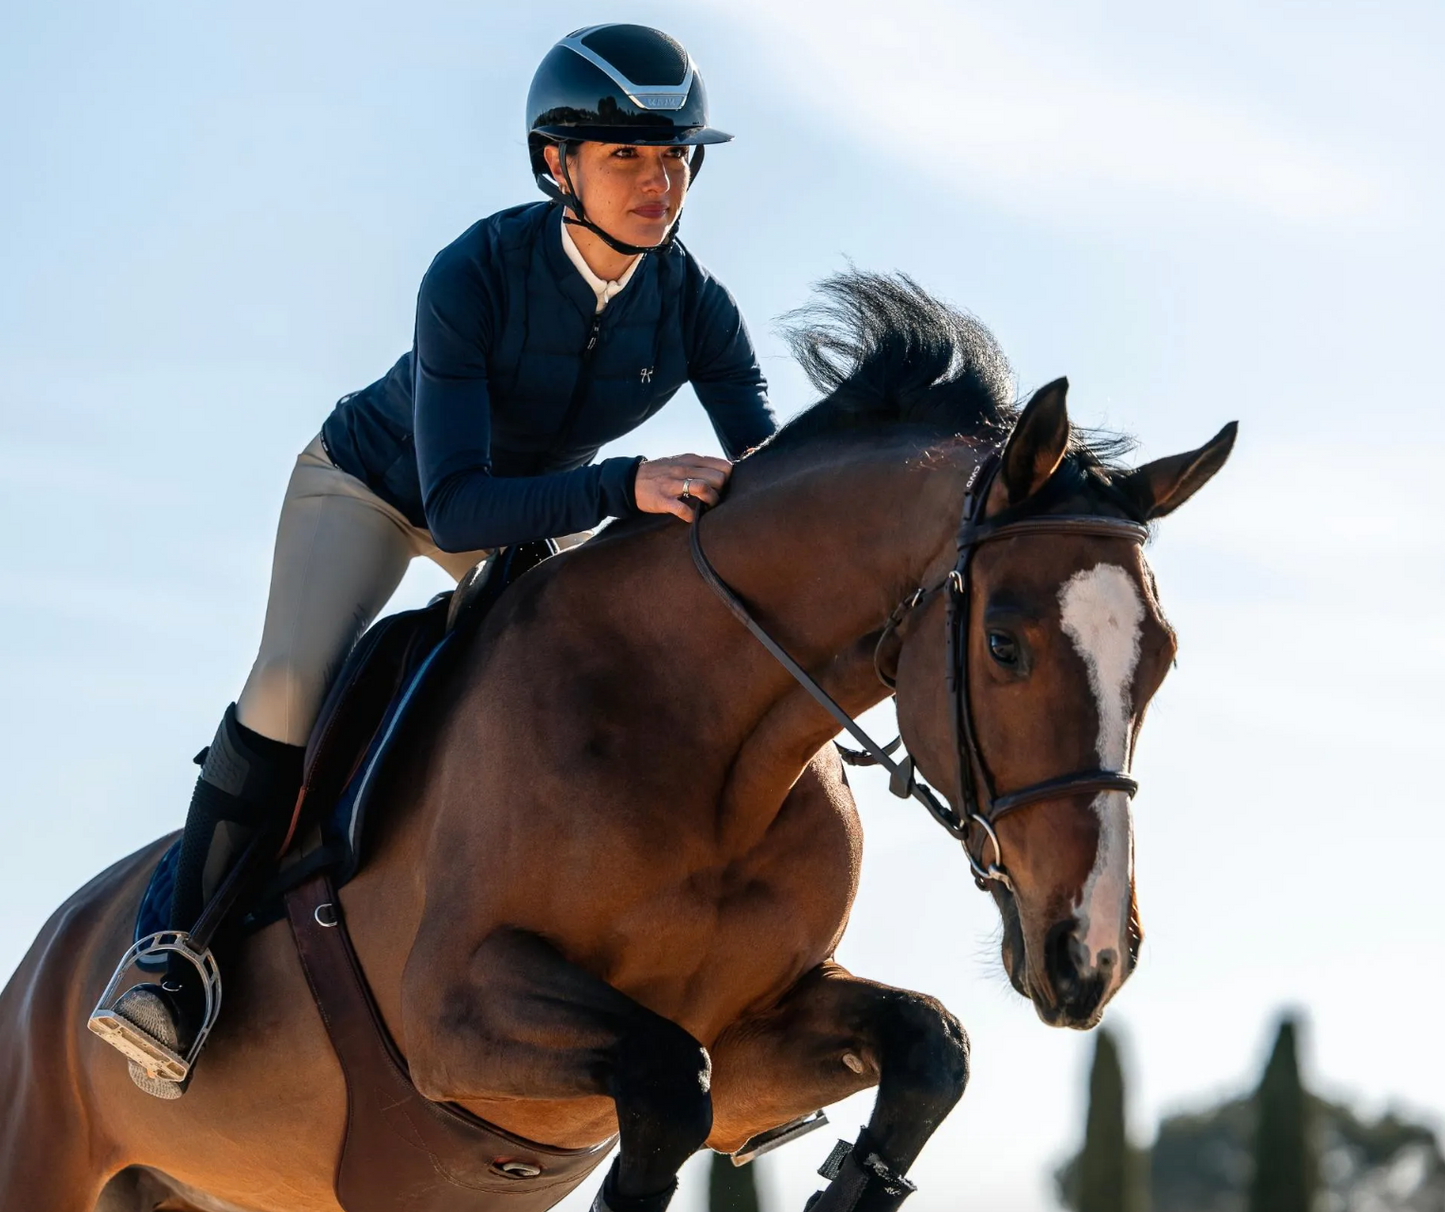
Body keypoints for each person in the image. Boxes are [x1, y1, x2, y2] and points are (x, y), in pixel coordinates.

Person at [98, 23, 776, 1097]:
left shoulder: (694, 305)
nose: (661, 182)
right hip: (376, 486)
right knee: (286, 686)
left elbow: (765, 473)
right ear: (555, 165)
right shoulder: (471, 272)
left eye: (676, 156)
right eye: (628, 156)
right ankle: (169, 960)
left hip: (532, 511)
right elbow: (457, 511)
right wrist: (625, 484)